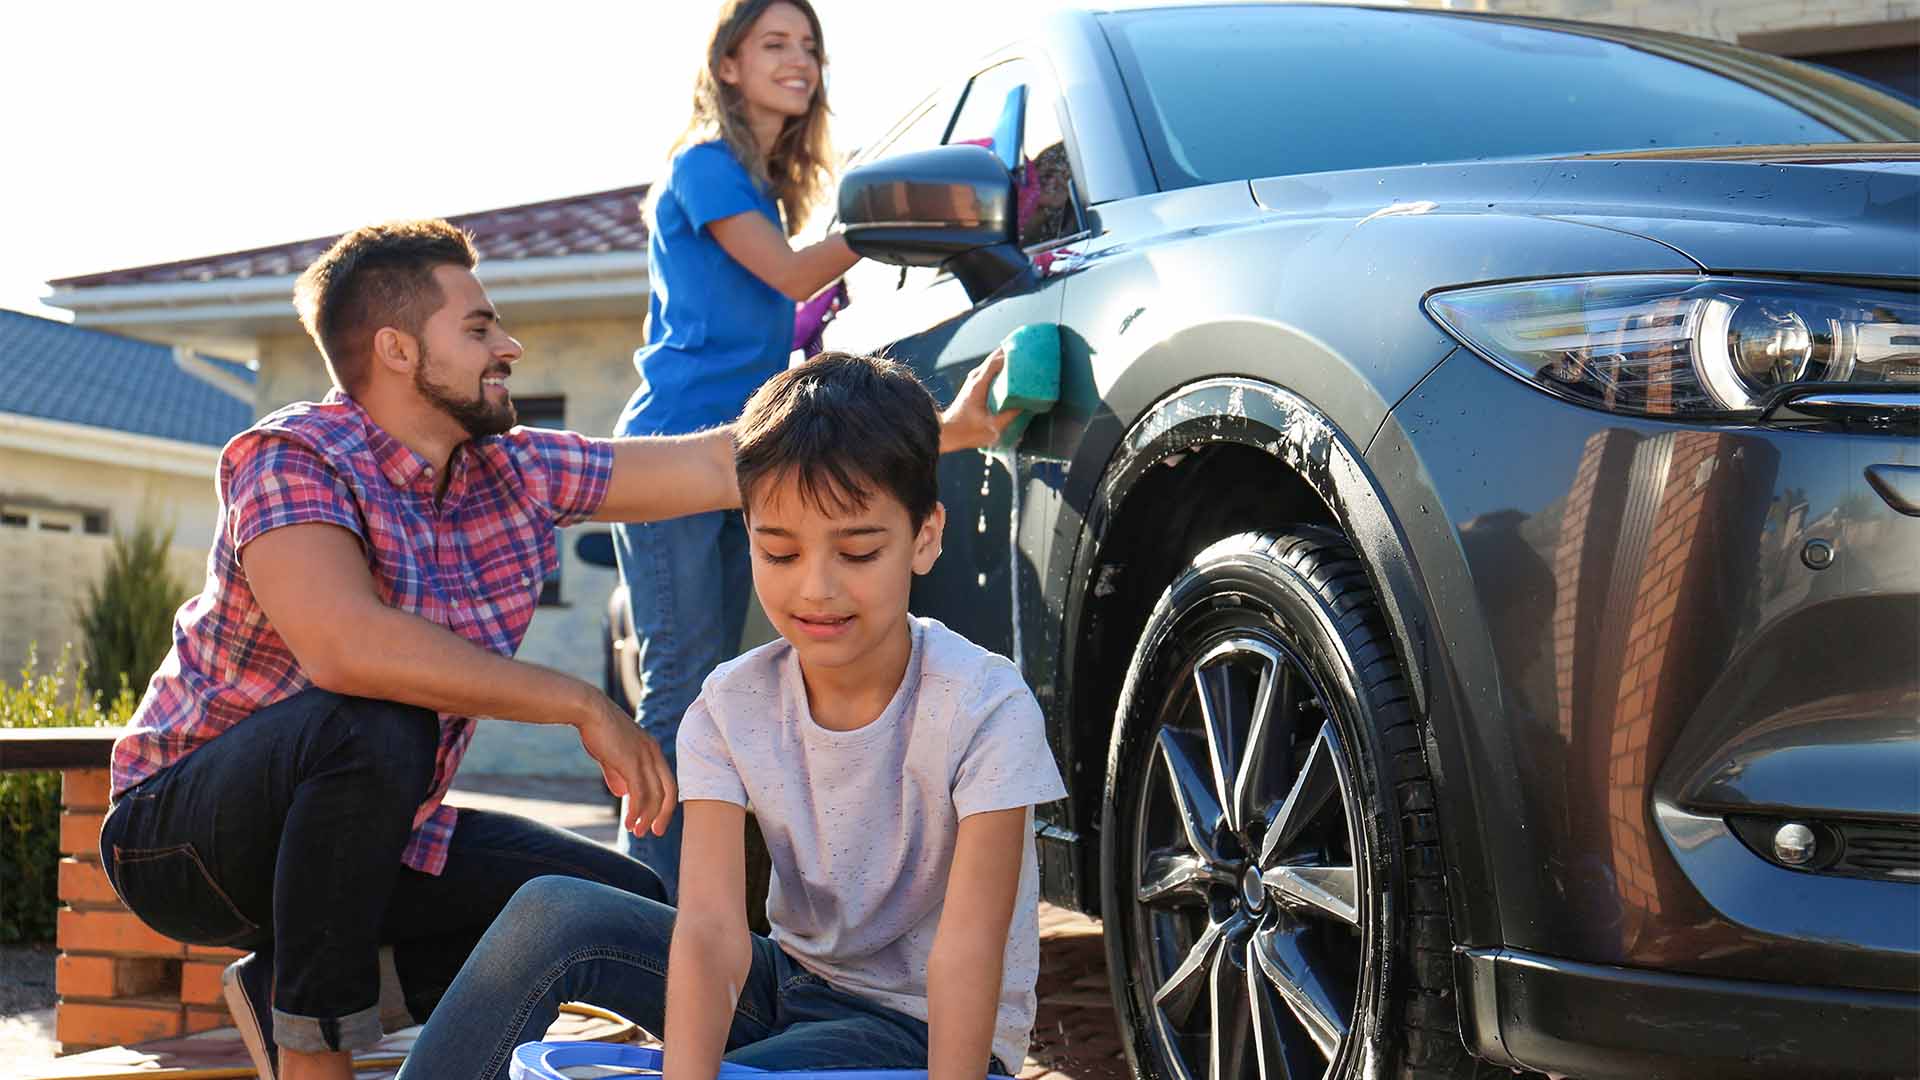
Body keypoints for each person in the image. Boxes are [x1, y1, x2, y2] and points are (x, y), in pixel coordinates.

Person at [97, 224, 1010, 1080]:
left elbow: (719, 463)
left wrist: (943, 430)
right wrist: (581, 703)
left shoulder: (516, 471)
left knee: (606, 900)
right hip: (182, 836)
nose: (510, 348)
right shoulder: (291, 455)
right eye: (480, 325)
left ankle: (293, 985)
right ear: (398, 349)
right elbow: (345, 649)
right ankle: (316, 1050)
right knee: (374, 725)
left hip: (364, 833)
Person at [392, 354, 1067, 1080]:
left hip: (924, 1034)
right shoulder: (730, 703)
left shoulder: (983, 704)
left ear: (924, 538)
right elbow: (713, 931)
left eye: (859, 550)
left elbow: (969, 950)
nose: (817, 587)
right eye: (779, 551)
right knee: (553, 911)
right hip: (789, 987)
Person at [612, 0, 862, 900]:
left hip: (740, 456)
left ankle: (695, 920)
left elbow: (776, 307)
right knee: (680, 687)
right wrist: (891, 224)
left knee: (713, 694)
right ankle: (640, 927)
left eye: (809, 47)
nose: (799, 61)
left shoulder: (757, 184)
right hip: (675, 450)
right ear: (727, 65)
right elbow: (794, 273)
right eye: (775, 45)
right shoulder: (708, 164)